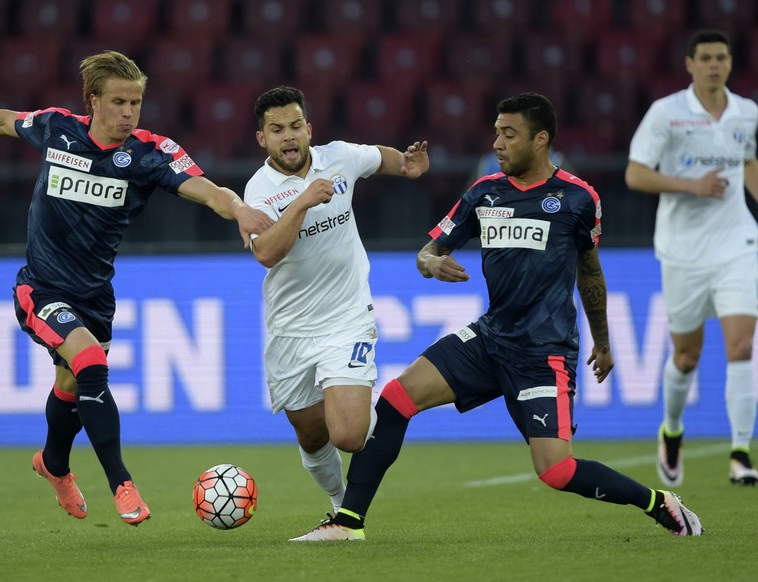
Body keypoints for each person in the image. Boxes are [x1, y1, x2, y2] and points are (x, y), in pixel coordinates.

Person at [291, 92, 703, 542]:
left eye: (509, 134)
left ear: (540, 139)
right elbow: (429, 251)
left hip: (542, 353)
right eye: (496, 133)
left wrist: (602, 343)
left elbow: (590, 274)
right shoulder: (484, 191)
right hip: (490, 338)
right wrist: (430, 263)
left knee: (557, 470)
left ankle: (657, 502)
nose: (498, 144)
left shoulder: (578, 198)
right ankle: (348, 523)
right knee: (395, 399)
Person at [0, 50, 272, 526]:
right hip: (41, 288)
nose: (128, 112)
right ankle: (122, 483)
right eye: (118, 101)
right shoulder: (58, 128)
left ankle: (53, 464)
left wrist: (237, 209)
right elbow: (1, 122)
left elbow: (208, 190)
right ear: (92, 101)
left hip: (95, 296)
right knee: (91, 364)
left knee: (71, 385)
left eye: (135, 102)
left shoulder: (148, 153)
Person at [243, 86, 429, 515]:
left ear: (309, 129)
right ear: (262, 139)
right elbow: (267, 253)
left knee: (348, 435)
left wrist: (404, 164)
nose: (288, 137)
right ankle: (340, 504)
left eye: (294, 126)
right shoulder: (259, 190)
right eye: (276, 130)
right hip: (289, 329)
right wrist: (302, 203)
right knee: (311, 435)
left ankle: (383, 421)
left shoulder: (339, 156)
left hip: (347, 319)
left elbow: (376, 157)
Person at [625, 29, 758, 487]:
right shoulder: (667, 114)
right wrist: (691, 185)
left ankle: (741, 451)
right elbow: (635, 174)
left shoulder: (747, 113)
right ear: (690, 64)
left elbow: (750, 162)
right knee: (686, 355)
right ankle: (672, 429)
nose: (715, 65)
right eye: (706, 58)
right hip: (682, 251)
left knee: (742, 345)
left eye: (722, 57)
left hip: (738, 244)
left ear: (729, 62)